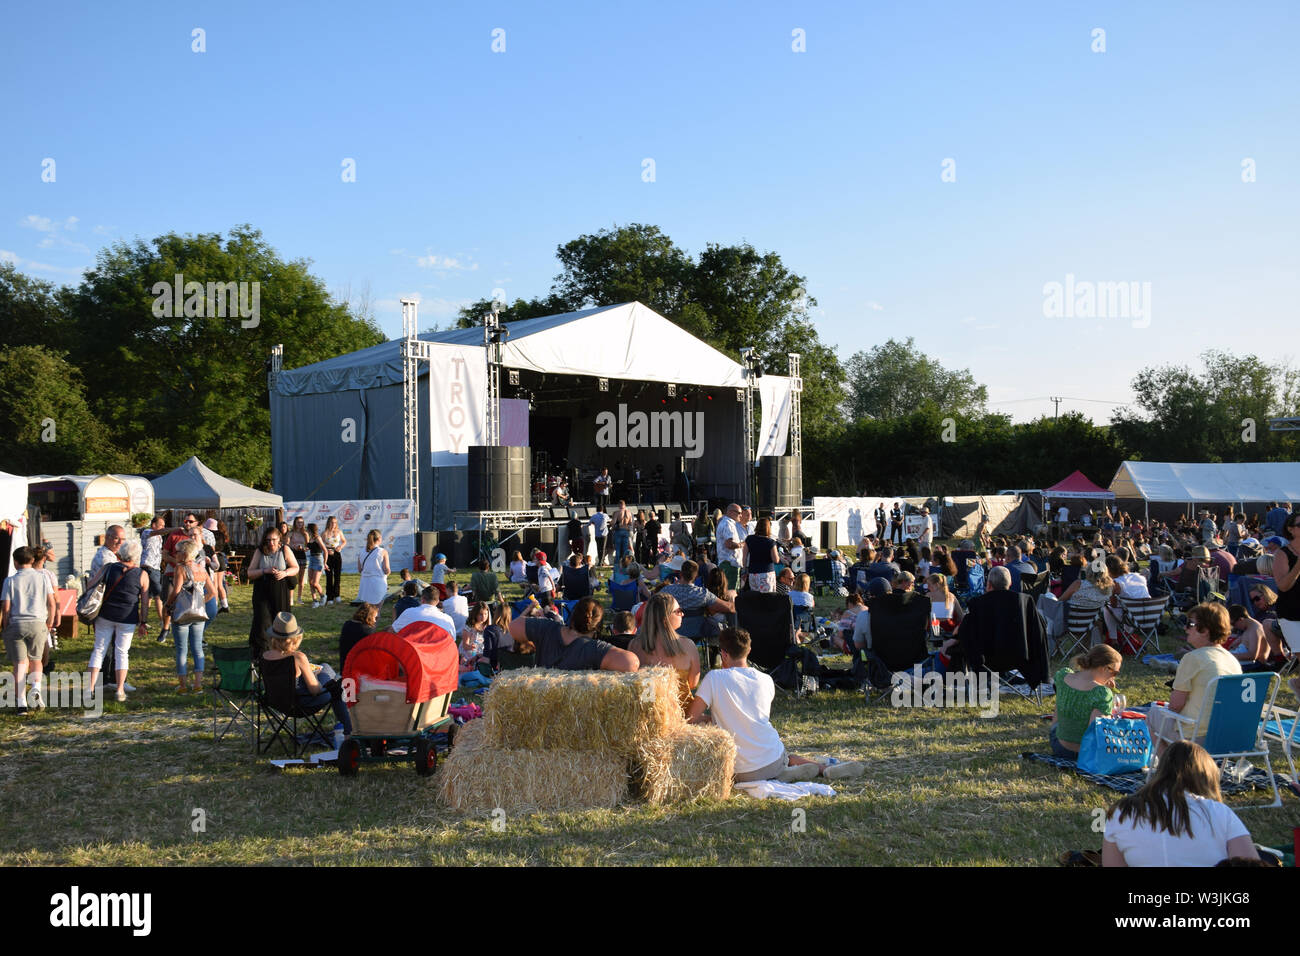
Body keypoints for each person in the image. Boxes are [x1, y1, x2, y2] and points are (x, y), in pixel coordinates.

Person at [688, 627, 864, 782]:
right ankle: (821, 769)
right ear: (749, 650)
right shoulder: (766, 680)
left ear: (723, 654)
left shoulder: (714, 678)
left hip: (737, 770)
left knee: (779, 757)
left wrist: (714, 720)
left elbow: (691, 717)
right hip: (771, 760)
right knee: (785, 756)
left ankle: (786, 773)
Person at [1103, 741, 1258, 867]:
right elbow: (1250, 863)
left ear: (1161, 770)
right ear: (1207, 777)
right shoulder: (1221, 813)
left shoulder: (1121, 812)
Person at [1146, 603, 1242, 754]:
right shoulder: (1232, 660)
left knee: (1152, 714)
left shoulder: (1193, 658)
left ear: (1205, 630)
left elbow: (1175, 705)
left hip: (1195, 736)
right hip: (1225, 736)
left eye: (1190, 624)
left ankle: (1170, 769)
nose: (1185, 628)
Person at [261, 612, 352, 735]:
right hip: (302, 704)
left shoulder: (265, 656)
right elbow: (315, 690)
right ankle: (349, 728)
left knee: (326, 669)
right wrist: (315, 676)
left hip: (277, 702)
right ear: (295, 638)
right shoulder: (298, 657)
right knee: (336, 685)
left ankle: (348, 726)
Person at [86, 541, 149, 704]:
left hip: (105, 614)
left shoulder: (108, 568)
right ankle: (120, 689)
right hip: (127, 617)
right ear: (136, 556)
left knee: (99, 650)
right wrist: (143, 622)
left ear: (120, 553)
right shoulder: (142, 574)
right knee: (122, 652)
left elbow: (91, 584)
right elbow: (144, 601)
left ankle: (90, 688)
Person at [506, 595, 638, 671]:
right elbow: (631, 663)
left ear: (573, 616)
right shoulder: (594, 649)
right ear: (597, 627)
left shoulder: (548, 628)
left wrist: (536, 638)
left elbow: (513, 626)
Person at [2, 547, 57, 713]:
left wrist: (5, 627)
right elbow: (52, 603)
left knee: (19, 664)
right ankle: (36, 688)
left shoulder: (9, 581)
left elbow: (6, 608)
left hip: (17, 624)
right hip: (38, 623)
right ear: (32, 560)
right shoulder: (43, 578)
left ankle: (21, 703)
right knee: (36, 660)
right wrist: (49, 622)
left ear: (15, 562)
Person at [630, 592, 701, 713]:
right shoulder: (688, 646)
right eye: (678, 611)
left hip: (648, 713)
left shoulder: (634, 645)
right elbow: (693, 683)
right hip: (681, 712)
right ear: (665, 618)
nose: (682, 614)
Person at [1049, 645, 1122, 759]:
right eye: (1115, 673)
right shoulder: (1101, 693)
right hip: (1082, 754)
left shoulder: (1062, 676)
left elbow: (1056, 715)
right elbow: (1097, 733)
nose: (1113, 678)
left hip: (1058, 745)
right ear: (1104, 668)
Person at [169, 539, 217, 695]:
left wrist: (167, 605)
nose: (175, 554)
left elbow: (176, 591)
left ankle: (182, 686)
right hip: (199, 613)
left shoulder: (180, 569)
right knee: (197, 649)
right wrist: (201, 602)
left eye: (177, 551)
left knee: (181, 650)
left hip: (182, 613)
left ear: (184, 554)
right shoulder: (201, 569)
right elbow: (213, 592)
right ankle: (198, 685)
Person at [246, 525, 298, 653]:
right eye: (268, 540)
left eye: (274, 540)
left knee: (281, 620)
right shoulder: (260, 551)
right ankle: (262, 652)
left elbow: (295, 567)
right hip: (262, 590)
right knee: (262, 621)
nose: (271, 543)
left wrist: (285, 573)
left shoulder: (285, 550)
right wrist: (265, 571)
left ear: (279, 539)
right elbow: (250, 573)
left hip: (280, 589)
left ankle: (283, 649)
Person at [1270, 510, 1300, 655]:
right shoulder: (1282, 554)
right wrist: (1298, 566)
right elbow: (1283, 586)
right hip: (1291, 612)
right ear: (1290, 529)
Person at [392, 586, 457, 640]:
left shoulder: (409, 612)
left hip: (414, 652)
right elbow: (452, 641)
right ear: (438, 602)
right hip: (438, 652)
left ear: (422, 599)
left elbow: (393, 630)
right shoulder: (447, 619)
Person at [741, 516, 780, 593]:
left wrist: (744, 570)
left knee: (755, 597)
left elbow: (744, 557)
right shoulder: (770, 542)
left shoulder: (749, 539)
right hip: (766, 573)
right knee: (767, 598)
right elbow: (775, 560)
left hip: (753, 573)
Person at [339, 602, 378, 673]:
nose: (375, 621)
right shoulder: (368, 631)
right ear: (369, 616)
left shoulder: (347, 624)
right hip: (359, 672)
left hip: (344, 667)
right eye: (375, 617)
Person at [355, 529, 390, 607]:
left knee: (367, 607)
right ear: (379, 539)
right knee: (377, 608)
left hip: (365, 582)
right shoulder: (383, 551)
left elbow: (360, 569)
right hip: (378, 581)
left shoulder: (361, 551)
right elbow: (386, 570)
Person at [321, 515, 347, 605]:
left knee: (337, 576)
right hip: (328, 555)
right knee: (329, 577)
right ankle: (330, 597)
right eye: (332, 522)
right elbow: (320, 544)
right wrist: (326, 550)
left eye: (335, 522)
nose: (333, 524)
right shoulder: (324, 533)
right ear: (328, 523)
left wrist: (340, 546)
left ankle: (337, 595)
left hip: (337, 554)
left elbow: (344, 541)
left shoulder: (339, 532)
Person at [287, 516, 309, 606]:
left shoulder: (305, 534)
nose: (300, 524)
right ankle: (291, 598)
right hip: (293, 556)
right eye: (298, 522)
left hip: (302, 556)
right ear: (295, 523)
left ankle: (299, 598)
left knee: (301, 579)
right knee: (292, 578)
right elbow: (287, 544)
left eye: (301, 522)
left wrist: (303, 548)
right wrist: (294, 547)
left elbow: (308, 547)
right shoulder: (291, 533)